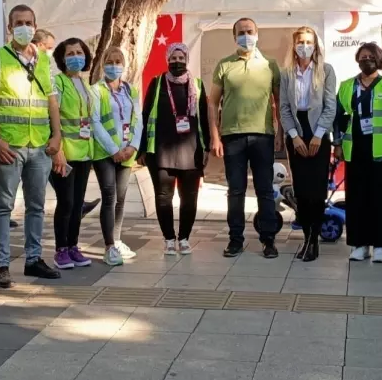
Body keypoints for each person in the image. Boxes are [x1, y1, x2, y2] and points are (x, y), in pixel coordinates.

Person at [0, 5, 63, 281]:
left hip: (39, 145)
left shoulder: (43, 60)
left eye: (29, 22)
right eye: (18, 22)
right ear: (9, 27)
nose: (24, 27)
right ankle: (1, 265)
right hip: (10, 145)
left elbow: (52, 100)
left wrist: (57, 136)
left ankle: (34, 259)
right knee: (3, 205)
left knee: (37, 206)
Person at [209, 18, 282, 258]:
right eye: (241, 32)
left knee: (265, 190)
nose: (246, 35)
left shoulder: (270, 65)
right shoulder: (224, 65)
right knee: (236, 190)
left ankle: (268, 240)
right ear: (234, 37)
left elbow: (279, 101)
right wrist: (215, 136)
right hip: (232, 137)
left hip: (263, 136)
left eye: (250, 31)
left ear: (258, 34)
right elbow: (213, 102)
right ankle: (235, 240)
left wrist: (279, 131)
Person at [333, 43, 382, 262]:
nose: (366, 60)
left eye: (370, 57)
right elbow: (338, 117)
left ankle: (380, 246)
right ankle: (359, 244)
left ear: (379, 60)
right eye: (363, 56)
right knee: (355, 199)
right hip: (354, 151)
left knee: (380, 199)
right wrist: (336, 144)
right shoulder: (346, 86)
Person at [140, 43, 209, 252]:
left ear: (186, 60)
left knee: (189, 198)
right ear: (167, 59)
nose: (177, 62)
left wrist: (207, 147)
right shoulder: (157, 82)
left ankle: (184, 238)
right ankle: (169, 239)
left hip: (191, 150)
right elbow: (146, 115)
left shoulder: (197, 84)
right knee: (163, 197)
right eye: (173, 58)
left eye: (181, 58)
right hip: (161, 152)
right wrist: (142, 149)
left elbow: (204, 117)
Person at [278, 26, 337, 262]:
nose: (305, 46)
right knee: (301, 191)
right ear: (294, 45)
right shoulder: (287, 73)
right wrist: (294, 135)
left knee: (316, 191)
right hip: (297, 133)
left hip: (319, 134)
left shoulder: (326, 70)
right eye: (300, 42)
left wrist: (318, 135)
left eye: (309, 42)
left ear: (316, 45)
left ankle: (314, 239)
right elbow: (283, 108)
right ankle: (306, 237)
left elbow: (330, 105)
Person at [50, 37, 104, 269]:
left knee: (78, 203)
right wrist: (57, 151)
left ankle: (73, 245)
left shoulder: (86, 85)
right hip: (65, 154)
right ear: (62, 59)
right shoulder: (58, 83)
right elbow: (54, 120)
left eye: (79, 53)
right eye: (70, 54)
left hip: (84, 153)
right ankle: (61, 249)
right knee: (66, 202)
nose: (75, 57)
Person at [91, 46, 142, 265]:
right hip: (105, 152)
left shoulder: (131, 90)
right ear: (104, 65)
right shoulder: (96, 90)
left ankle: (118, 239)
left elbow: (138, 119)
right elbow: (94, 121)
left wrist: (133, 146)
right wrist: (114, 150)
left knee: (121, 199)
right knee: (109, 196)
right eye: (110, 61)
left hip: (127, 151)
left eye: (118, 61)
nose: (114, 65)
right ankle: (109, 246)